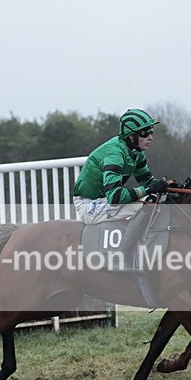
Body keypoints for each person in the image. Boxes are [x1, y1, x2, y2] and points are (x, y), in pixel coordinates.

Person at [73, 108, 175, 269]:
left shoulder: (137, 153)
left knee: (159, 198)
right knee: (147, 202)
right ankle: (120, 257)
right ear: (131, 136)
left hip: (103, 200)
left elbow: (148, 181)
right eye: (145, 133)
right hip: (89, 204)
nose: (150, 137)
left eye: (151, 132)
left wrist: (169, 187)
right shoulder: (115, 155)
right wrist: (150, 189)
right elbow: (115, 198)